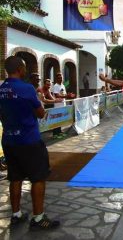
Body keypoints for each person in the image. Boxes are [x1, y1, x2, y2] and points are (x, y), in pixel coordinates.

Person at [0, 56, 59, 230]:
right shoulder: (26, 88)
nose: (26, 70)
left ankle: (16, 214)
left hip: (9, 140)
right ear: (19, 68)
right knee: (38, 178)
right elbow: (41, 113)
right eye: (24, 67)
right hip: (29, 140)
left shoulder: (1, 89)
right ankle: (38, 218)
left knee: (15, 178)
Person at [52, 72, 75, 139]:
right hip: (57, 105)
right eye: (59, 78)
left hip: (63, 104)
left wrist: (69, 95)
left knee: (60, 120)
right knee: (56, 120)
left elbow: (63, 94)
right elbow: (57, 95)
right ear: (56, 79)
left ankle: (59, 132)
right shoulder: (55, 86)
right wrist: (66, 95)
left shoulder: (63, 85)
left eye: (61, 77)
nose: (60, 79)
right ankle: (55, 133)